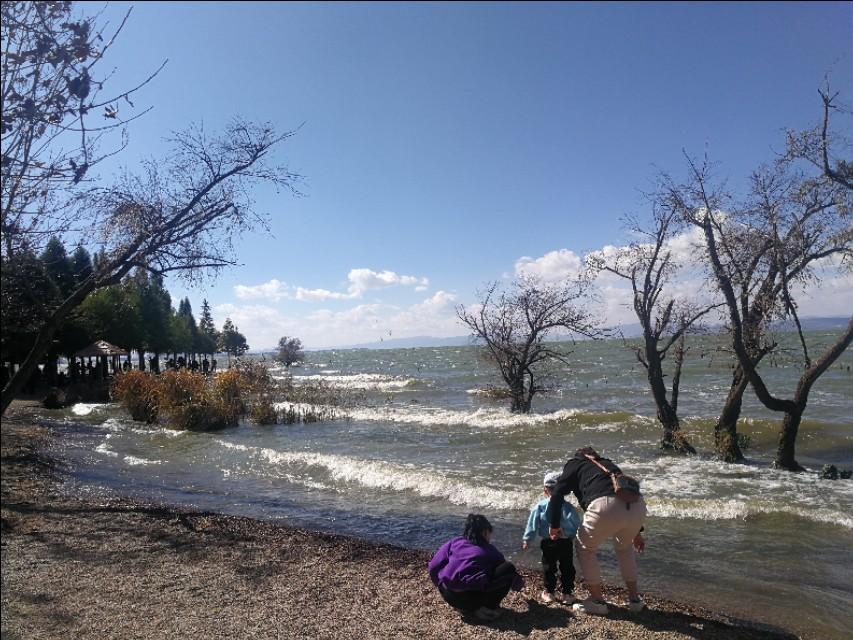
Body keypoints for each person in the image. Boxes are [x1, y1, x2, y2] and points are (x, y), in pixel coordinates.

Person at [548, 446, 647, 616]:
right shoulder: (608, 464)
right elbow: (625, 493)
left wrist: (554, 524)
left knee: (584, 547)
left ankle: (597, 601)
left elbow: (557, 493)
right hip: (638, 506)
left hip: (604, 505)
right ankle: (635, 600)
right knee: (624, 548)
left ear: (579, 456)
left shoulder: (575, 463)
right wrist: (637, 533)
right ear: (595, 455)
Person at [428, 514, 524, 621]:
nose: (489, 537)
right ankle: (483, 608)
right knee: (508, 567)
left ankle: (463, 607)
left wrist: (441, 586)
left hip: (448, 595)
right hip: (472, 599)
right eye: (489, 534)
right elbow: (507, 571)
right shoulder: (489, 550)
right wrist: (519, 585)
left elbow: (433, 566)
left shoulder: (455, 542)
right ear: (485, 532)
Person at [522, 471, 581, 605]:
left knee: (549, 568)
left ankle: (549, 592)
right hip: (565, 542)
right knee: (567, 567)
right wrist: (570, 535)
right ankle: (567, 593)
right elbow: (576, 524)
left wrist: (527, 539)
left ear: (545, 490)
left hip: (548, 542)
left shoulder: (540, 506)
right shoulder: (568, 507)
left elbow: (532, 524)